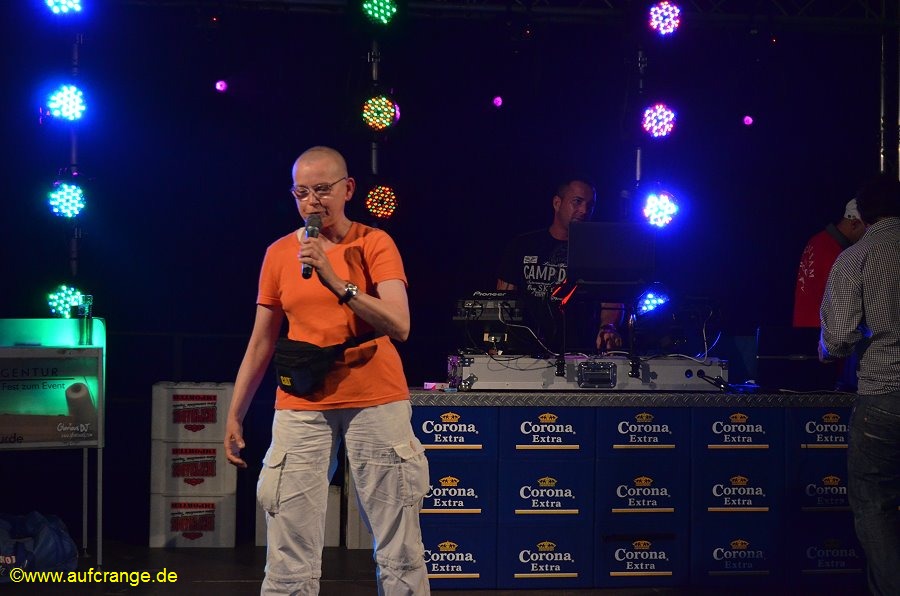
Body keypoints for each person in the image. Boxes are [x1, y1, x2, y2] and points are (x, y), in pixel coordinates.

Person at [224, 146, 431, 596]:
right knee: (288, 546)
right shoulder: (280, 253)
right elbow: (261, 342)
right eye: (302, 193)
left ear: (348, 189)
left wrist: (336, 281)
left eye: (322, 190)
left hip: (375, 398)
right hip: (302, 400)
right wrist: (235, 413)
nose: (312, 202)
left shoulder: (374, 243)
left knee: (399, 547)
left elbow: (400, 325)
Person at [818, 172, 900, 596]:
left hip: (884, 396)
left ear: (862, 214)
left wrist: (824, 347)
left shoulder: (856, 257)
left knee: (875, 506)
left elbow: (837, 341)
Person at [496, 177, 623, 354]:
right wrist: (499, 336)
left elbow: (612, 299)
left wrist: (608, 327)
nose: (584, 210)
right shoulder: (523, 246)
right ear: (557, 203)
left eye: (590, 205)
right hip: (525, 352)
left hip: (580, 353)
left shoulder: (599, 252)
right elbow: (503, 298)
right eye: (577, 202)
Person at [793, 198, 865, 327]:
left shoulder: (817, 240)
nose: (866, 237)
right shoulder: (835, 252)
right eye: (865, 231)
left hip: (803, 326)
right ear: (854, 224)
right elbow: (841, 303)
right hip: (819, 332)